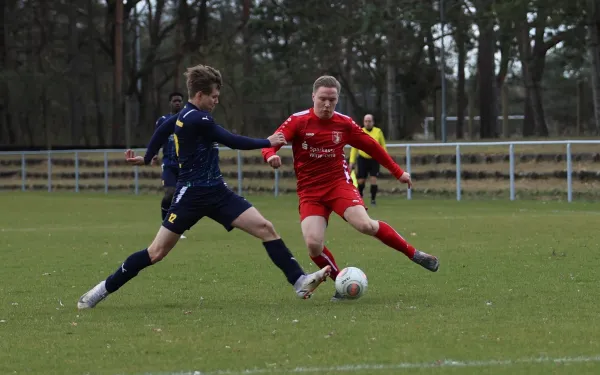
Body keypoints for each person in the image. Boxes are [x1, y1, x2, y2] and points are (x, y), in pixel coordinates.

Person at [77, 65, 331, 310]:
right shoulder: (197, 119)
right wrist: (267, 141)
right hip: (191, 195)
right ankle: (101, 290)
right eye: (213, 96)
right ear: (199, 95)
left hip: (218, 193)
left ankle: (299, 281)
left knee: (266, 228)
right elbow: (231, 140)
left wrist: (147, 156)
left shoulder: (185, 116)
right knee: (155, 252)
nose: (216, 101)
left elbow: (164, 128)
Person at [261, 75, 439, 301]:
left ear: (337, 100)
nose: (327, 104)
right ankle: (340, 283)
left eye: (332, 100)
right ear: (313, 96)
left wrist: (398, 172)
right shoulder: (298, 121)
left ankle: (415, 254)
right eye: (323, 99)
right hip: (310, 192)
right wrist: (270, 156)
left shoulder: (344, 123)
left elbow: (372, 147)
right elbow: (271, 143)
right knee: (313, 245)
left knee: (364, 224)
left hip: (338, 185)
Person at [155, 92, 186, 238]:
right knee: (169, 193)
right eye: (175, 101)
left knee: (182, 197)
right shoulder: (163, 120)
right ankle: (165, 225)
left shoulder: (188, 120)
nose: (177, 103)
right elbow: (157, 138)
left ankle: (176, 228)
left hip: (185, 164)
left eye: (180, 101)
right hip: (168, 164)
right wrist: (154, 154)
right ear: (170, 103)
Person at [348, 114, 386, 205]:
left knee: (373, 179)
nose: (367, 123)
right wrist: (351, 161)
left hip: (374, 159)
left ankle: (373, 200)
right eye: (366, 121)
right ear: (363, 122)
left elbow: (383, 146)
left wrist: (385, 159)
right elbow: (354, 148)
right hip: (362, 159)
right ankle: (360, 197)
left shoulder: (378, 132)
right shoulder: (360, 131)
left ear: (373, 122)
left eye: (369, 121)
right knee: (361, 181)